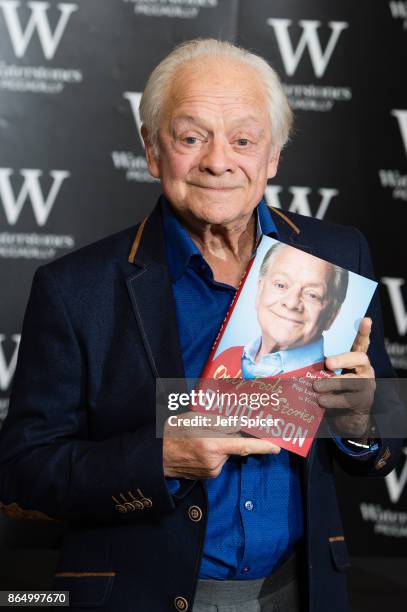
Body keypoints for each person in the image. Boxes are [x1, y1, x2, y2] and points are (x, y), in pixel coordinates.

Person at [0, 38, 402, 612]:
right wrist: (158, 457)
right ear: (152, 150)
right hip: (140, 596)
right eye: (191, 138)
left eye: (244, 139)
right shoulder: (75, 288)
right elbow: (21, 472)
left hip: (300, 591)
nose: (218, 161)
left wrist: (361, 415)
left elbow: (384, 445)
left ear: (273, 156)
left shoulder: (337, 256)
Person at [210, 242, 349, 379]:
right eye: (281, 285)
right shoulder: (226, 357)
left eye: (312, 295)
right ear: (259, 290)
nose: (291, 303)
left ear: (332, 315)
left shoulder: (334, 392)